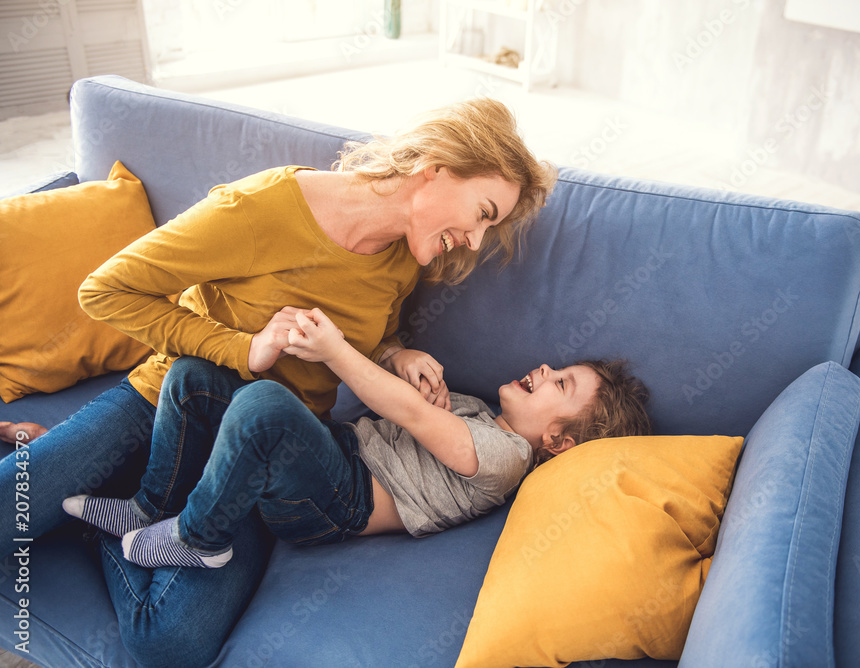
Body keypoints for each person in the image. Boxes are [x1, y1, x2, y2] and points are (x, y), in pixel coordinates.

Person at [0, 98, 556, 666]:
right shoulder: (263, 207)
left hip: (265, 447)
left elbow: (371, 330)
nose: (475, 240)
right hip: (170, 397)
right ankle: (105, 485)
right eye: (483, 213)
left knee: (173, 645)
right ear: (435, 167)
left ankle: (106, 521)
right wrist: (246, 349)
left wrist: (397, 351)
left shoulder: (403, 257)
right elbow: (105, 290)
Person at [62, 307, 652, 571]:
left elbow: (413, 421)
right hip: (334, 451)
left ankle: (199, 538)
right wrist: (405, 361)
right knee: (195, 377)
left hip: (338, 502)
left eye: (561, 382)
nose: (545, 369)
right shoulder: (479, 413)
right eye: (557, 366)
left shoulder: (508, 459)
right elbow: (417, 413)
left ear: (558, 440)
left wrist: (337, 351)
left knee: (264, 404)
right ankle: (151, 506)